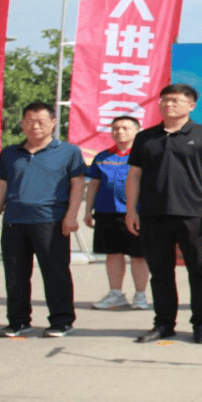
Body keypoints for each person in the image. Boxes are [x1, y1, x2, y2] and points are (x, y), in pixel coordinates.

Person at [125, 84, 202, 345]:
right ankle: (163, 324)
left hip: (194, 215)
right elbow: (134, 175)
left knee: (200, 272)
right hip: (153, 214)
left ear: (191, 105)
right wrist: (130, 210)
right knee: (160, 273)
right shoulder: (145, 137)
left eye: (175, 100)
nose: (168, 104)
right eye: (164, 100)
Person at [0, 102, 86, 338]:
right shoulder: (9, 153)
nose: (35, 126)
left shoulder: (68, 151)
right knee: (15, 274)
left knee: (55, 272)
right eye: (29, 120)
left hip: (51, 221)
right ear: (22, 123)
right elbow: (0, 186)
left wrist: (71, 216)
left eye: (41, 121)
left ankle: (61, 321)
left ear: (53, 123)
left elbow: (77, 184)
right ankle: (18, 321)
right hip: (15, 221)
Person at [85, 115, 150, 311]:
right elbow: (93, 185)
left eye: (125, 128)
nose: (120, 132)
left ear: (137, 131)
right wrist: (88, 211)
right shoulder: (102, 157)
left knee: (138, 256)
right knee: (113, 254)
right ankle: (116, 293)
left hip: (137, 214)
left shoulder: (145, 156)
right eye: (116, 128)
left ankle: (140, 295)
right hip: (106, 212)